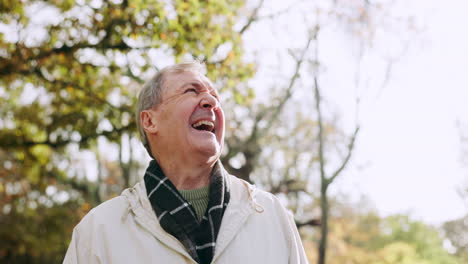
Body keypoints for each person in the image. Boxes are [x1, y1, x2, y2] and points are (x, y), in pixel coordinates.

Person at [63, 61, 308, 264]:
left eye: (214, 96)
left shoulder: (273, 217)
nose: (211, 102)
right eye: (192, 91)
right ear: (150, 121)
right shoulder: (98, 233)